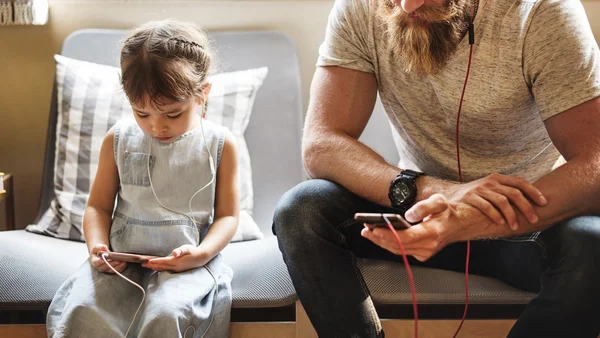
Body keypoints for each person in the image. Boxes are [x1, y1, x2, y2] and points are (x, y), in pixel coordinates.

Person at [273, 0, 600, 337]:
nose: (406, 5)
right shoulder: (360, 7)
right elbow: (321, 144)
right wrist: (437, 192)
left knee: (594, 243)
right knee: (302, 209)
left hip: (519, 223)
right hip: (419, 213)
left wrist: (464, 217)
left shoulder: (543, 10)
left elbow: (595, 164)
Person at [47, 19, 239, 338]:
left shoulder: (220, 145)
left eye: (172, 114)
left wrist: (202, 254)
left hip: (187, 262)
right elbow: (97, 207)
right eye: (142, 113)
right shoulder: (118, 139)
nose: (156, 127)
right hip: (121, 262)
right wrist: (97, 247)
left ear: (202, 94)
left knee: (168, 314)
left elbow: (229, 216)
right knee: (83, 310)